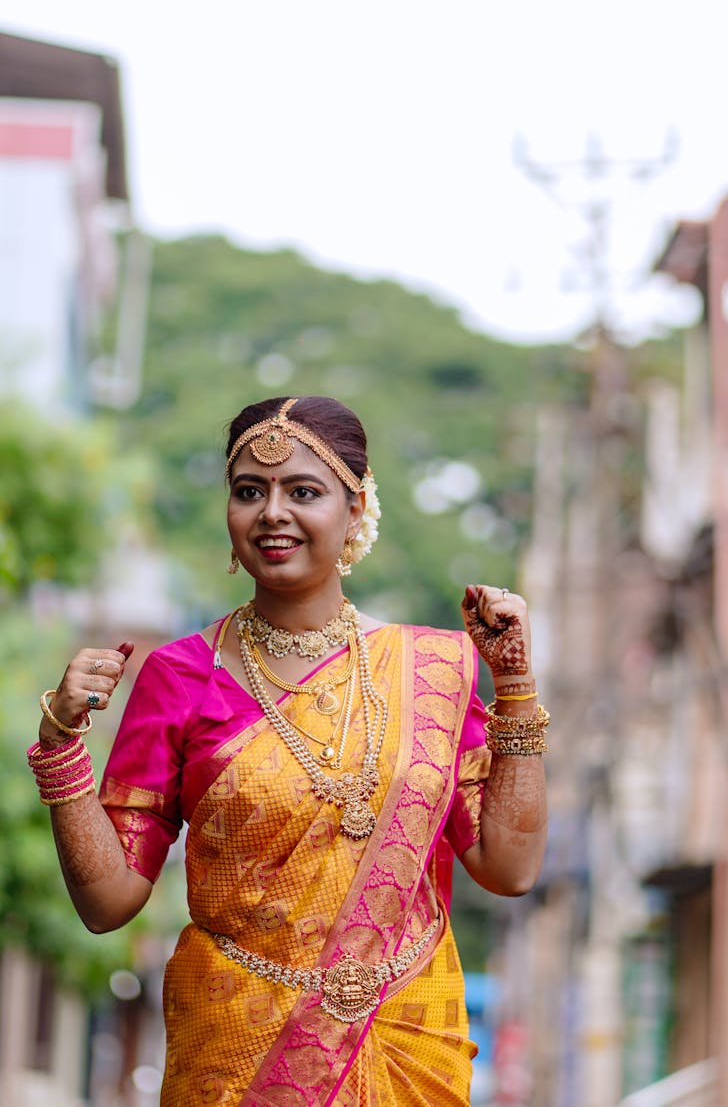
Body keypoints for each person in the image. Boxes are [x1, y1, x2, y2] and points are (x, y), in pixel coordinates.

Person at [29, 395, 549, 1107]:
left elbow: (509, 866)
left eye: (303, 490)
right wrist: (60, 748)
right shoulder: (182, 673)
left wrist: (514, 682)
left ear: (355, 506)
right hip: (234, 1062)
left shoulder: (430, 671)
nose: (272, 512)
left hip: (404, 1046)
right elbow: (108, 901)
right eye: (250, 491)